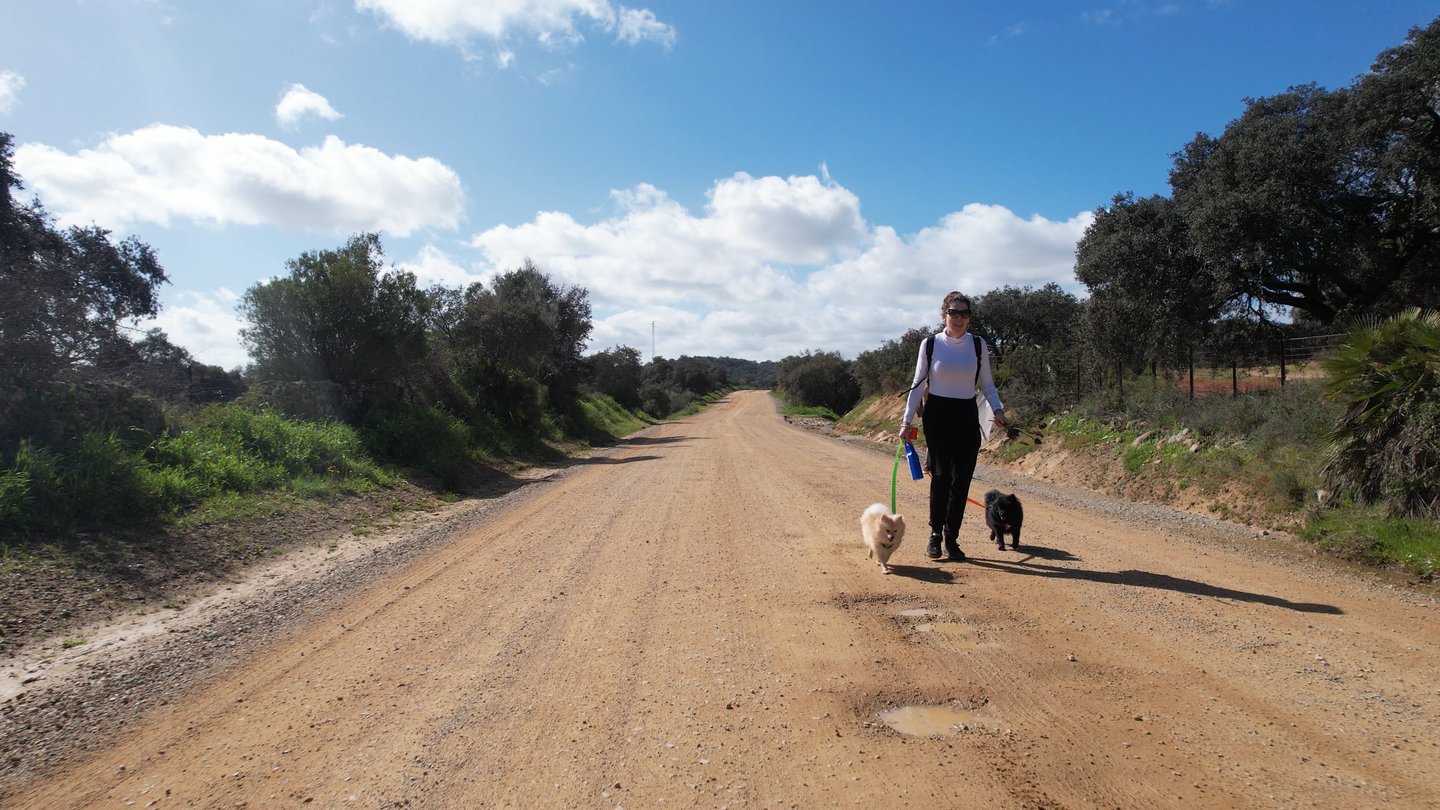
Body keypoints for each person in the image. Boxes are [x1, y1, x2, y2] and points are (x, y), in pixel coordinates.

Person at [900, 291, 1007, 561]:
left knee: (961, 482)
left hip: (966, 415)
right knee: (942, 477)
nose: (958, 318)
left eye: (964, 313)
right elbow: (917, 385)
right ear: (943, 315)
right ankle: (935, 535)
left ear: (970, 318)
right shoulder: (930, 344)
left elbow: (987, 383)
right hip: (937, 415)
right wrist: (906, 421)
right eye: (953, 313)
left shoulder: (978, 345)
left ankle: (952, 538)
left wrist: (998, 408)